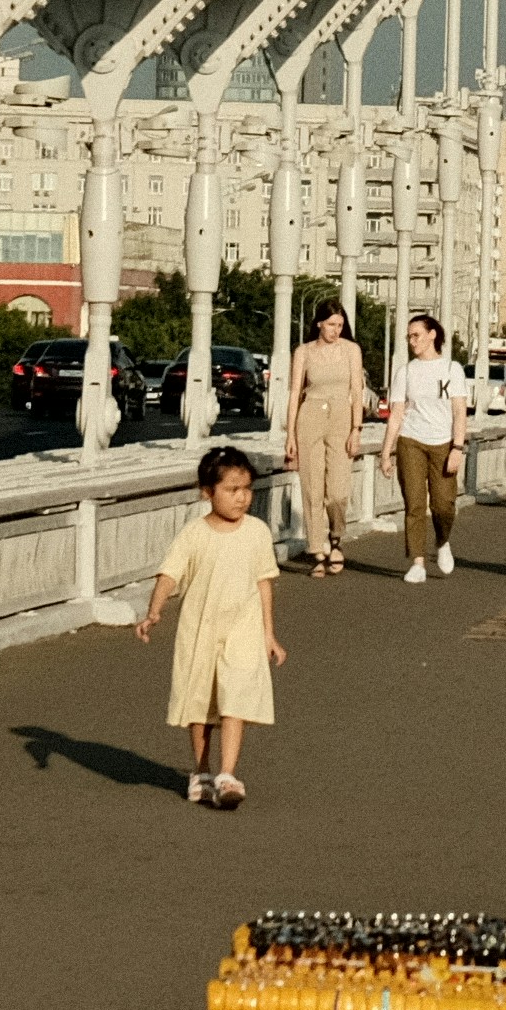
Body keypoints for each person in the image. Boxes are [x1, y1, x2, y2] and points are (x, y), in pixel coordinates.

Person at [133, 443, 286, 807]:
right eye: (232, 490)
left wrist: (269, 633)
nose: (242, 498)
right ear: (207, 492)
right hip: (200, 629)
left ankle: (227, 775)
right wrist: (154, 611)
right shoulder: (194, 534)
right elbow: (169, 575)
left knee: (236, 697)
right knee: (200, 702)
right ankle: (201, 770)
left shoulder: (257, 532)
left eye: (246, 488)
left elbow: (264, 581)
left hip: (244, 629)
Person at [278, 302, 375, 579]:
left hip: (341, 419)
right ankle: (316, 549)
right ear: (319, 323)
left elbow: (357, 391)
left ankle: (336, 537)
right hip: (310, 415)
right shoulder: (304, 352)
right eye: (331, 324)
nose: (336, 330)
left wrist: (357, 429)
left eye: (340, 325)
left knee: (337, 491)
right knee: (311, 488)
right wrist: (290, 436)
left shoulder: (351, 351)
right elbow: (296, 392)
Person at [386, 314, 468, 585]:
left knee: (444, 505)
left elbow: (459, 410)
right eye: (409, 337)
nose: (412, 341)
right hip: (411, 441)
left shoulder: (451, 369)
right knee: (415, 503)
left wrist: (457, 447)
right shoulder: (406, 371)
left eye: (416, 335)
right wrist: (386, 452)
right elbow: (397, 413)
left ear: (432, 335)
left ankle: (442, 541)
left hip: (443, 442)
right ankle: (417, 561)